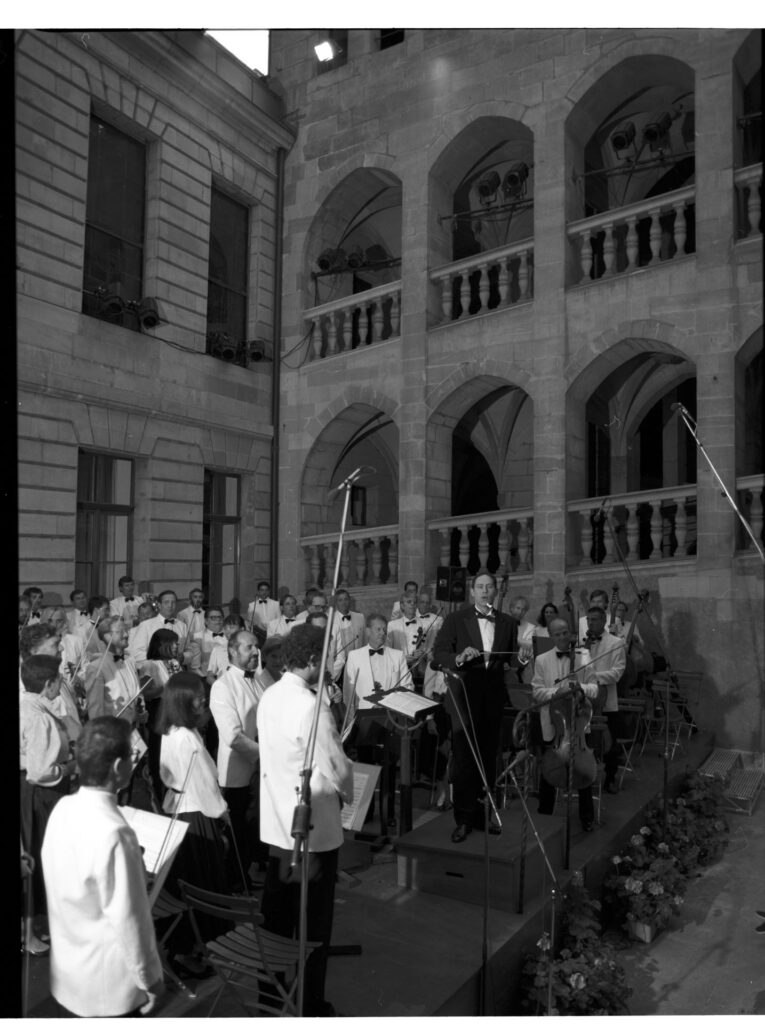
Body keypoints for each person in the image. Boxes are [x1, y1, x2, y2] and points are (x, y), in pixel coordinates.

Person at [257, 625, 354, 1017]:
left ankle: (270, 997)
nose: (328, 663)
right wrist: (350, 794)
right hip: (312, 828)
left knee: (277, 920)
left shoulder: (269, 694)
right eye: (326, 656)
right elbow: (335, 767)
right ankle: (310, 1002)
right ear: (313, 660)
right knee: (315, 925)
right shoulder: (312, 706)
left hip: (277, 823)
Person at [41, 717, 163, 1017]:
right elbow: (131, 920)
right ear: (120, 768)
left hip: (69, 975)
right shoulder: (116, 833)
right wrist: (150, 978)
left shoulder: (63, 809)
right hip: (108, 988)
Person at [433, 571, 518, 842]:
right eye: (479, 587)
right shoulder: (456, 619)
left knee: (489, 757)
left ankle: (484, 815)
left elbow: (510, 661)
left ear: (495, 591)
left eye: (489, 587)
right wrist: (458, 658)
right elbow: (439, 655)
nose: (484, 591)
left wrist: (523, 661)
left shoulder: (507, 622)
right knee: (464, 760)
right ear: (472, 592)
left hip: (492, 697)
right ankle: (464, 819)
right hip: (463, 698)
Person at [158, 672, 230, 974]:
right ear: (185, 701)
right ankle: (189, 950)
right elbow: (204, 787)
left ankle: (186, 947)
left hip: (178, 812)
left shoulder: (173, 730)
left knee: (184, 881)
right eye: (200, 696)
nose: (204, 701)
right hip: (196, 816)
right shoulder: (187, 738)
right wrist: (223, 814)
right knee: (201, 883)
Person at [20, 655, 78, 955]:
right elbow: (41, 771)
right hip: (41, 794)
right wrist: (67, 768)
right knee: (41, 858)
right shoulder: (39, 716)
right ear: (47, 684)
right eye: (58, 679)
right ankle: (32, 933)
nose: (61, 684)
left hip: (31, 791)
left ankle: (30, 928)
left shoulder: (27, 703)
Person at [531, 617, 598, 832]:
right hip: (554, 723)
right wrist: (558, 692)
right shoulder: (542, 660)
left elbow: (595, 689)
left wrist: (580, 687)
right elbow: (537, 691)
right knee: (550, 768)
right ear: (551, 636)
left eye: (565, 632)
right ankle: (544, 815)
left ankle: (587, 817)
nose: (562, 637)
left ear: (571, 633)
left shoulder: (583, 655)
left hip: (578, 723)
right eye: (557, 634)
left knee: (583, 771)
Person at [343, 614, 410, 827]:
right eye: (378, 629)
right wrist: (354, 719)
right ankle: (364, 812)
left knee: (389, 766)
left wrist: (392, 702)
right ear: (368, 631)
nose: (382, 633)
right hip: (364, 720)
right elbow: (348, 692)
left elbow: (408, 686)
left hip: (390, 718)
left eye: (384, 630)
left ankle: (388, 814)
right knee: (364, 765)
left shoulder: (397, 655)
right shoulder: (354, 656)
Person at [210, 629, 263, 885]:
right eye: (249, 647)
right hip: (236, 773)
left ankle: (244, 878)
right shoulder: (222, 686)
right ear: (233, 651)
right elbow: (232, 735)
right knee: (237, 832)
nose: (255, 652)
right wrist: (263, 755)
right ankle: (233, 882)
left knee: (250, 830)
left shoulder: (257, 680)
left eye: (256, 647)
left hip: (257, 772)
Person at [579, 605, 627, 794]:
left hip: (606, 700)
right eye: (589, 620)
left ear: (604, 621)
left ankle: (610, 777)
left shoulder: (615, 643)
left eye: (595, 619)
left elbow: (617, 672)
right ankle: (585, 774)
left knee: (611, 744)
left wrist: (594, 678)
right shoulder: (583, 643)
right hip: (586, 700)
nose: (591, 623)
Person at [129, 590, 188, 662]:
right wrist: (160, 657)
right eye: (166, 602)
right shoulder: (145, 625)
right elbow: (136, 653)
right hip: (155, 670)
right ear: (159, 605)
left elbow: (189, 652)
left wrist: (182, 657)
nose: (170, 605)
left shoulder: (182, 626)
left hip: (177, 670)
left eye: (173, 602)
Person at [206, 612, 246, 683]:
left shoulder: (251, 650)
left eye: (231, 627)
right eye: (225, 628)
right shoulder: (217, 650)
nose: (227, 631)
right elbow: (210, 676)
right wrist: (219, 687)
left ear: (242, 629)